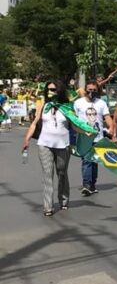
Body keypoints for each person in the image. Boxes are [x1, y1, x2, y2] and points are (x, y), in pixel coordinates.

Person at [22, 81, 72, 216]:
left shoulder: (67, 107)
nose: (51, 92)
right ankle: (48, 207)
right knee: (47, 174)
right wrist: (27, 139)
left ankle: (63, 199)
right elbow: (35, 123)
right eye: (49, 89)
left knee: (62, 172)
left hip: (63, 145)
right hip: (44, 144)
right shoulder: (43, 106)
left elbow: (76, 125)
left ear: (60, 90)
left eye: (54, 89)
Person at [73, 81, 113, 196]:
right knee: (86, 160)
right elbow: (74, 119)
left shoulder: (101, 103)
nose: (91, 92)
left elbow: (107, 117)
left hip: (98, 137)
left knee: (94, 161)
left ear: (97, 91)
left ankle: (92, 184)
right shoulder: (78, 103)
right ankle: (86, 184)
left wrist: (112, 128)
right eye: (89, 90)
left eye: (94, 90)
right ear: (85, 90)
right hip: (84, 137)